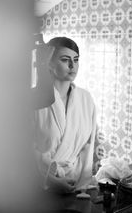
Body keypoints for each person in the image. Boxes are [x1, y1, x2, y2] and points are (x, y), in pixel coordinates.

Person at [34, 36, 97, 194]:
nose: (72, 65)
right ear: (49, 62)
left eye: (76, 60)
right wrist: (50, 180)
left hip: (75, 184)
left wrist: (82, 185)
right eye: (64, 59)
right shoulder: (35, 100)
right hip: (39, 186)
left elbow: (88, 147)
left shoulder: (86, 98)